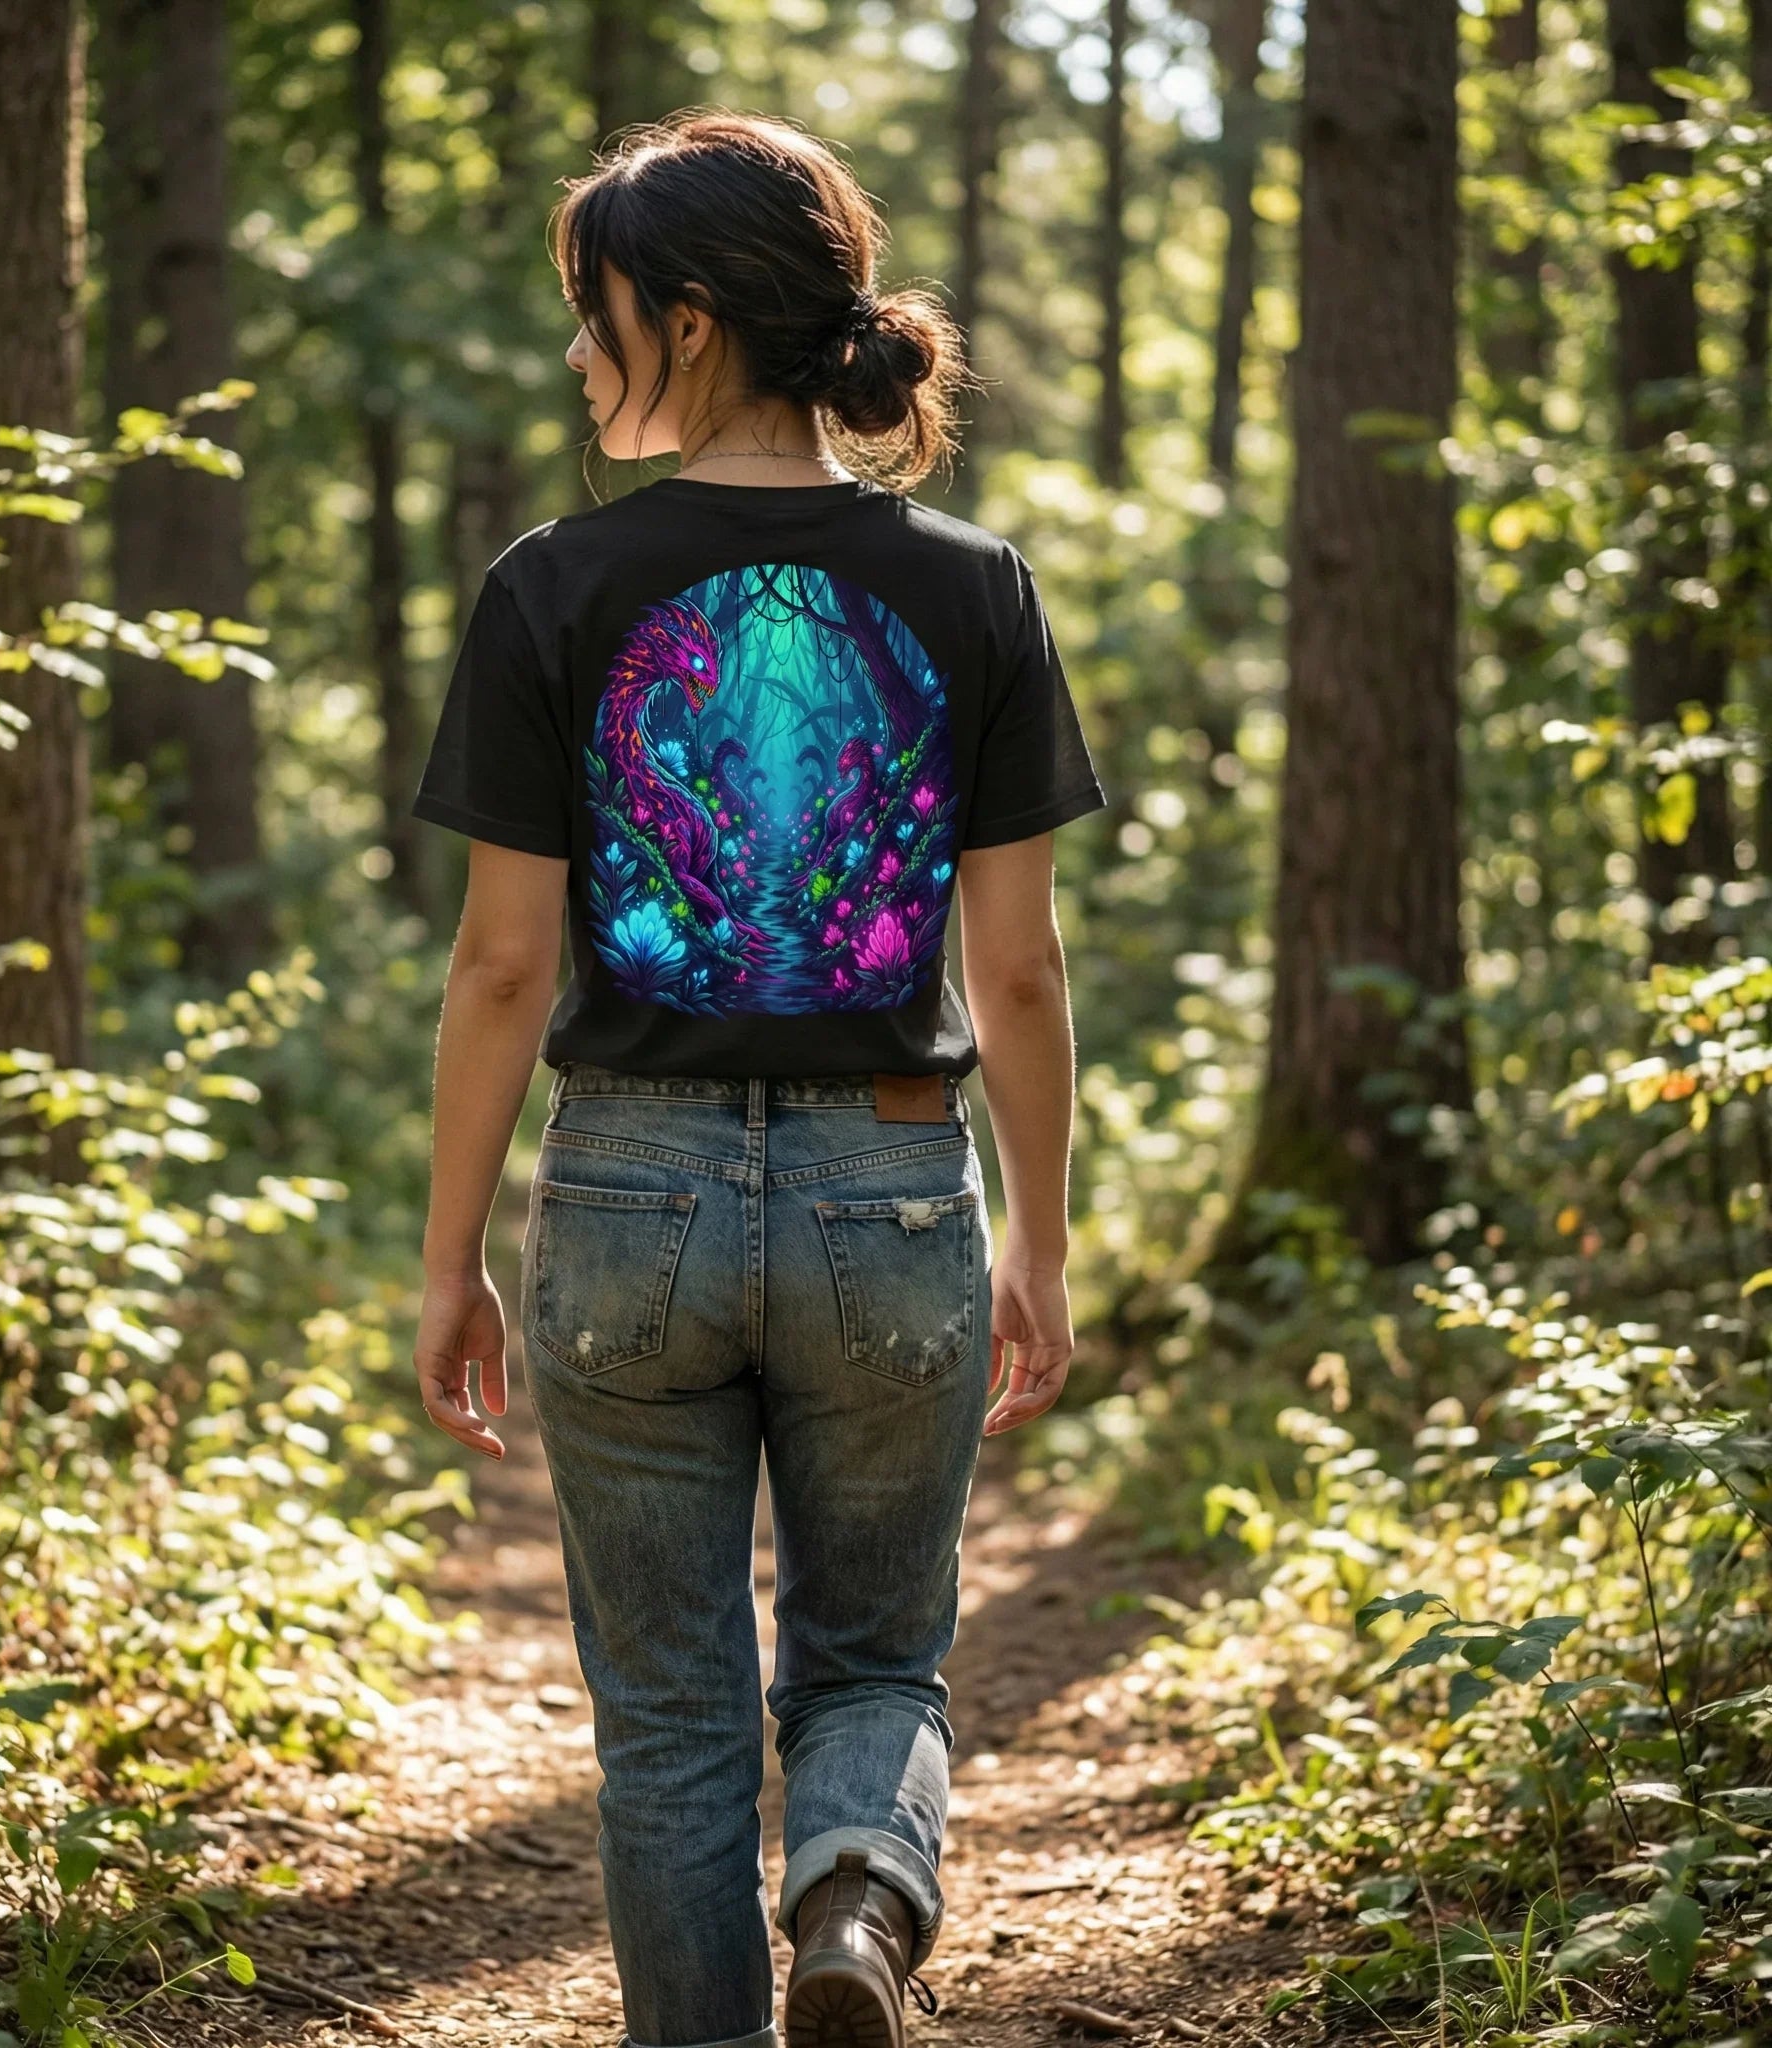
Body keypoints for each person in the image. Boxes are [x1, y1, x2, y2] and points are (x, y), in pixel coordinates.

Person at [410, 106, 1106, 2048]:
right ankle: (864, 1890)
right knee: (879, 1656)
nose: (573, 350)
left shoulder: (551, 587)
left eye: (594, 310)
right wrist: (1038, 1234)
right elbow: (1020, 967)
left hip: (626, 1198)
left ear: (691, 321)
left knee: (671, 1722)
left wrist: (449, 1251)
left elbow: (500, 964)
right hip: (895, 1190)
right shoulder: (976, 587)